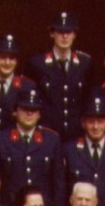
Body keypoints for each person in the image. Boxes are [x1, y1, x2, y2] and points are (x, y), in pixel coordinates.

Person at [0, 88, 66, 206]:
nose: (29, 114)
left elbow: (59, 184)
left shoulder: (52, 140)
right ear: (15, 111)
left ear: (39, 114)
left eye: (33, 110)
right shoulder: (0, 140)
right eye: (24, 109)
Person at [27, 11, 92, 140]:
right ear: (52, 33)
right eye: (60, 32)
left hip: (75, 136)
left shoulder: (85, 63)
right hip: (47, 136)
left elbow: (87, 99)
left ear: (74, 34)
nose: (64, 36)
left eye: (68, 32)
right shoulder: (37, 64)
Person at [63, 96, 105, 206]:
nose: (96, 127)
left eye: (100, 122)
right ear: (83, 123)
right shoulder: (69, 150)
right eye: (91, 122)